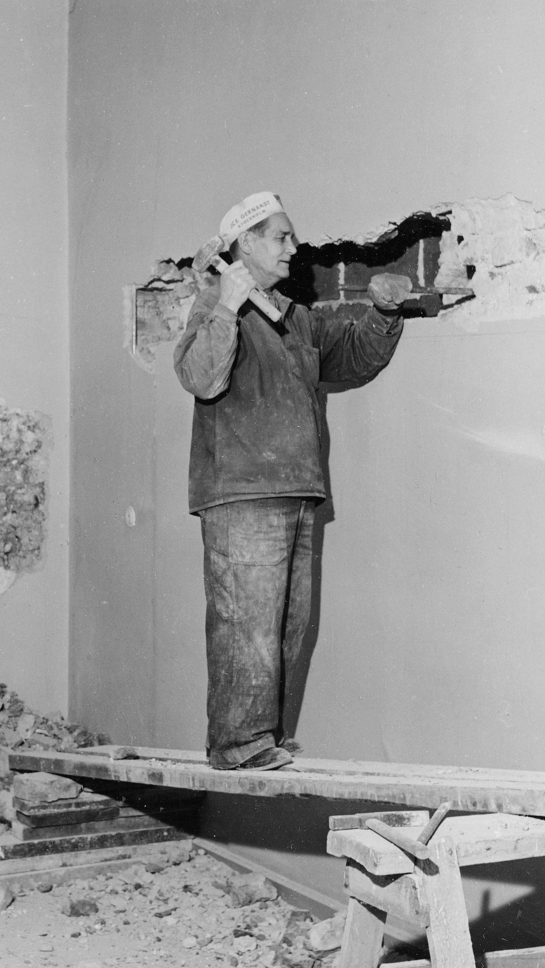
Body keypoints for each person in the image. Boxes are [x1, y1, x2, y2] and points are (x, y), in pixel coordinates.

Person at [174, 192, 413, 771]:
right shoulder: (213, 306)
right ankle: (239, 745)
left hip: (298, 490)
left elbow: (352, 357)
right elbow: (201, 379)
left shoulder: (294, 317)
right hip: (242, 494)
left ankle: (263, 739)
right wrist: (226, 305)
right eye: (281, 237)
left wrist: (383, 313)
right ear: (245, 244)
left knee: (284, 630)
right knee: (247, 627)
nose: (293, 247)